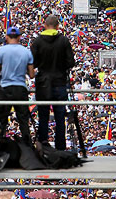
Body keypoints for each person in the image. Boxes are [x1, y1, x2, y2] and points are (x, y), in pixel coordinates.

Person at [31, 14, 75, 151]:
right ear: (58, 26)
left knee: (43, 116)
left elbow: (33, 62)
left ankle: (43, 146)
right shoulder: (63, 41)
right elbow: (70, 62)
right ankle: (60, 148)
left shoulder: (37, 41)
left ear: (44, 25)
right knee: (60, 117)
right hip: (59, 82)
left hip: (43, 82)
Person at [0, 26, 34, 144]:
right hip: (20, 88)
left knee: (2, 119)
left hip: (5, 88)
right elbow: (31, 74)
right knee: (23, 120)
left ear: (6, 37)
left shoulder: (1, 51)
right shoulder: (26, 52)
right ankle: (27, 146)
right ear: (19, 37)